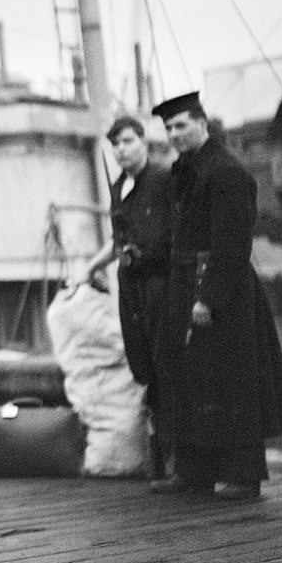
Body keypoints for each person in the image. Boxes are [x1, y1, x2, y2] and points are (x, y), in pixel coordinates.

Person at [149, 90, 282, 500]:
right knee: (189, 378)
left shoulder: (225, 171)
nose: (174, 134)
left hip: (221, 289)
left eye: (181, 125)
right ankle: (194, 472)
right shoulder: (185, 170)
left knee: (231, 382)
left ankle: (244, 476)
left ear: (201, 123)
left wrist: (208, 299)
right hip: (185, 282)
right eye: (168, 128)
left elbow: (233, 243)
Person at [75, 116, 174, 480]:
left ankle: (174, 463)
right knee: (143, 366)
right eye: (116, 144)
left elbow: (172, 236)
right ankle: (159, 461)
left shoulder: (163, 180)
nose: (121, 150)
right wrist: (89, 267)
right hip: (132, 288)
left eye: (128, 141)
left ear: (143, 142)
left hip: (160, 285)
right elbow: (118, 241)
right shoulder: (119, 187)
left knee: (167, 367)